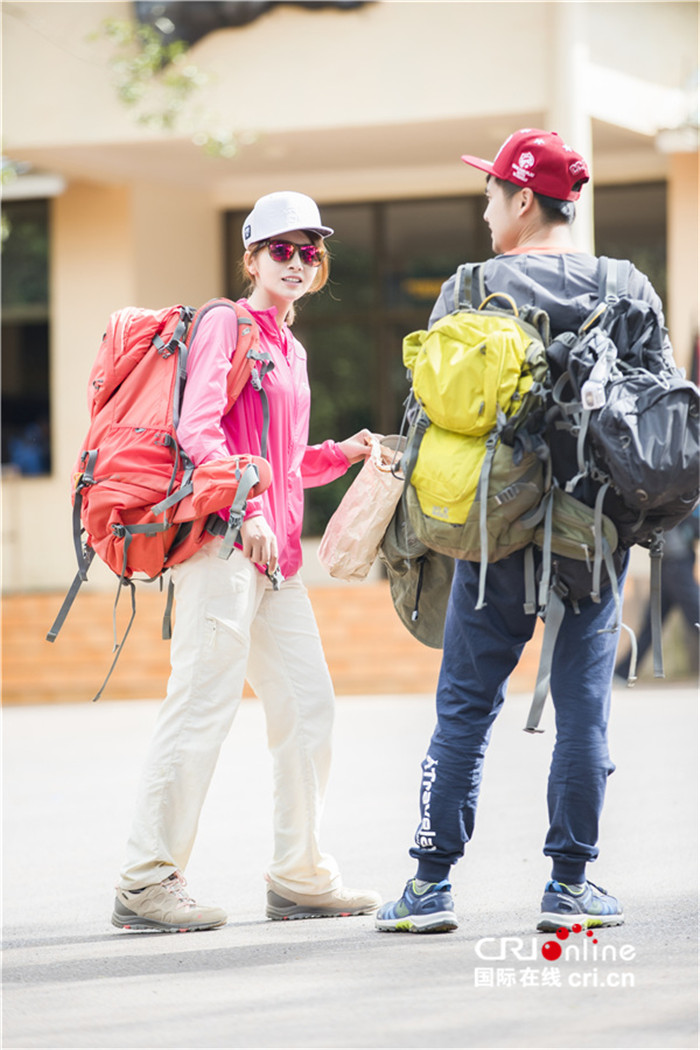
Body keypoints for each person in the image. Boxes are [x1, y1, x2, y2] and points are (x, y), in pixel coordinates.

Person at [376, 129, 678, 935]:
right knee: (584, 708)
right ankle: (569, 886)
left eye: (490, 195)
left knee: (464, 708)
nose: (484, 210)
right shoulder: (626, 286)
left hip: (487, 531)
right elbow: (662, 414)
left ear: (521, 199)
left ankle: (429, 886)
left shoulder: (469, 287)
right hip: (593, 539)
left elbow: (424, 411)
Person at [112, 191, 381, 932]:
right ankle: (146, 881)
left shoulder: (289, 348)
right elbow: (199, 429)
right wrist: (250, 505)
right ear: (253, 256)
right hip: (223, 548)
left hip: (277, 562)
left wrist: (344, 453)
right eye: (281, 250)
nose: (296, 263)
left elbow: (286, 459)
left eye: (309, 252)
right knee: (201, 707)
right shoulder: (224, 323)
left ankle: (299, 875)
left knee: (308, 709)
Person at [615, 515, 699, 681]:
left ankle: (622, 672)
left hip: (674, 562)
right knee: (658, 624)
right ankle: (622, 672)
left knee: (655, 624)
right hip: (673, 563)